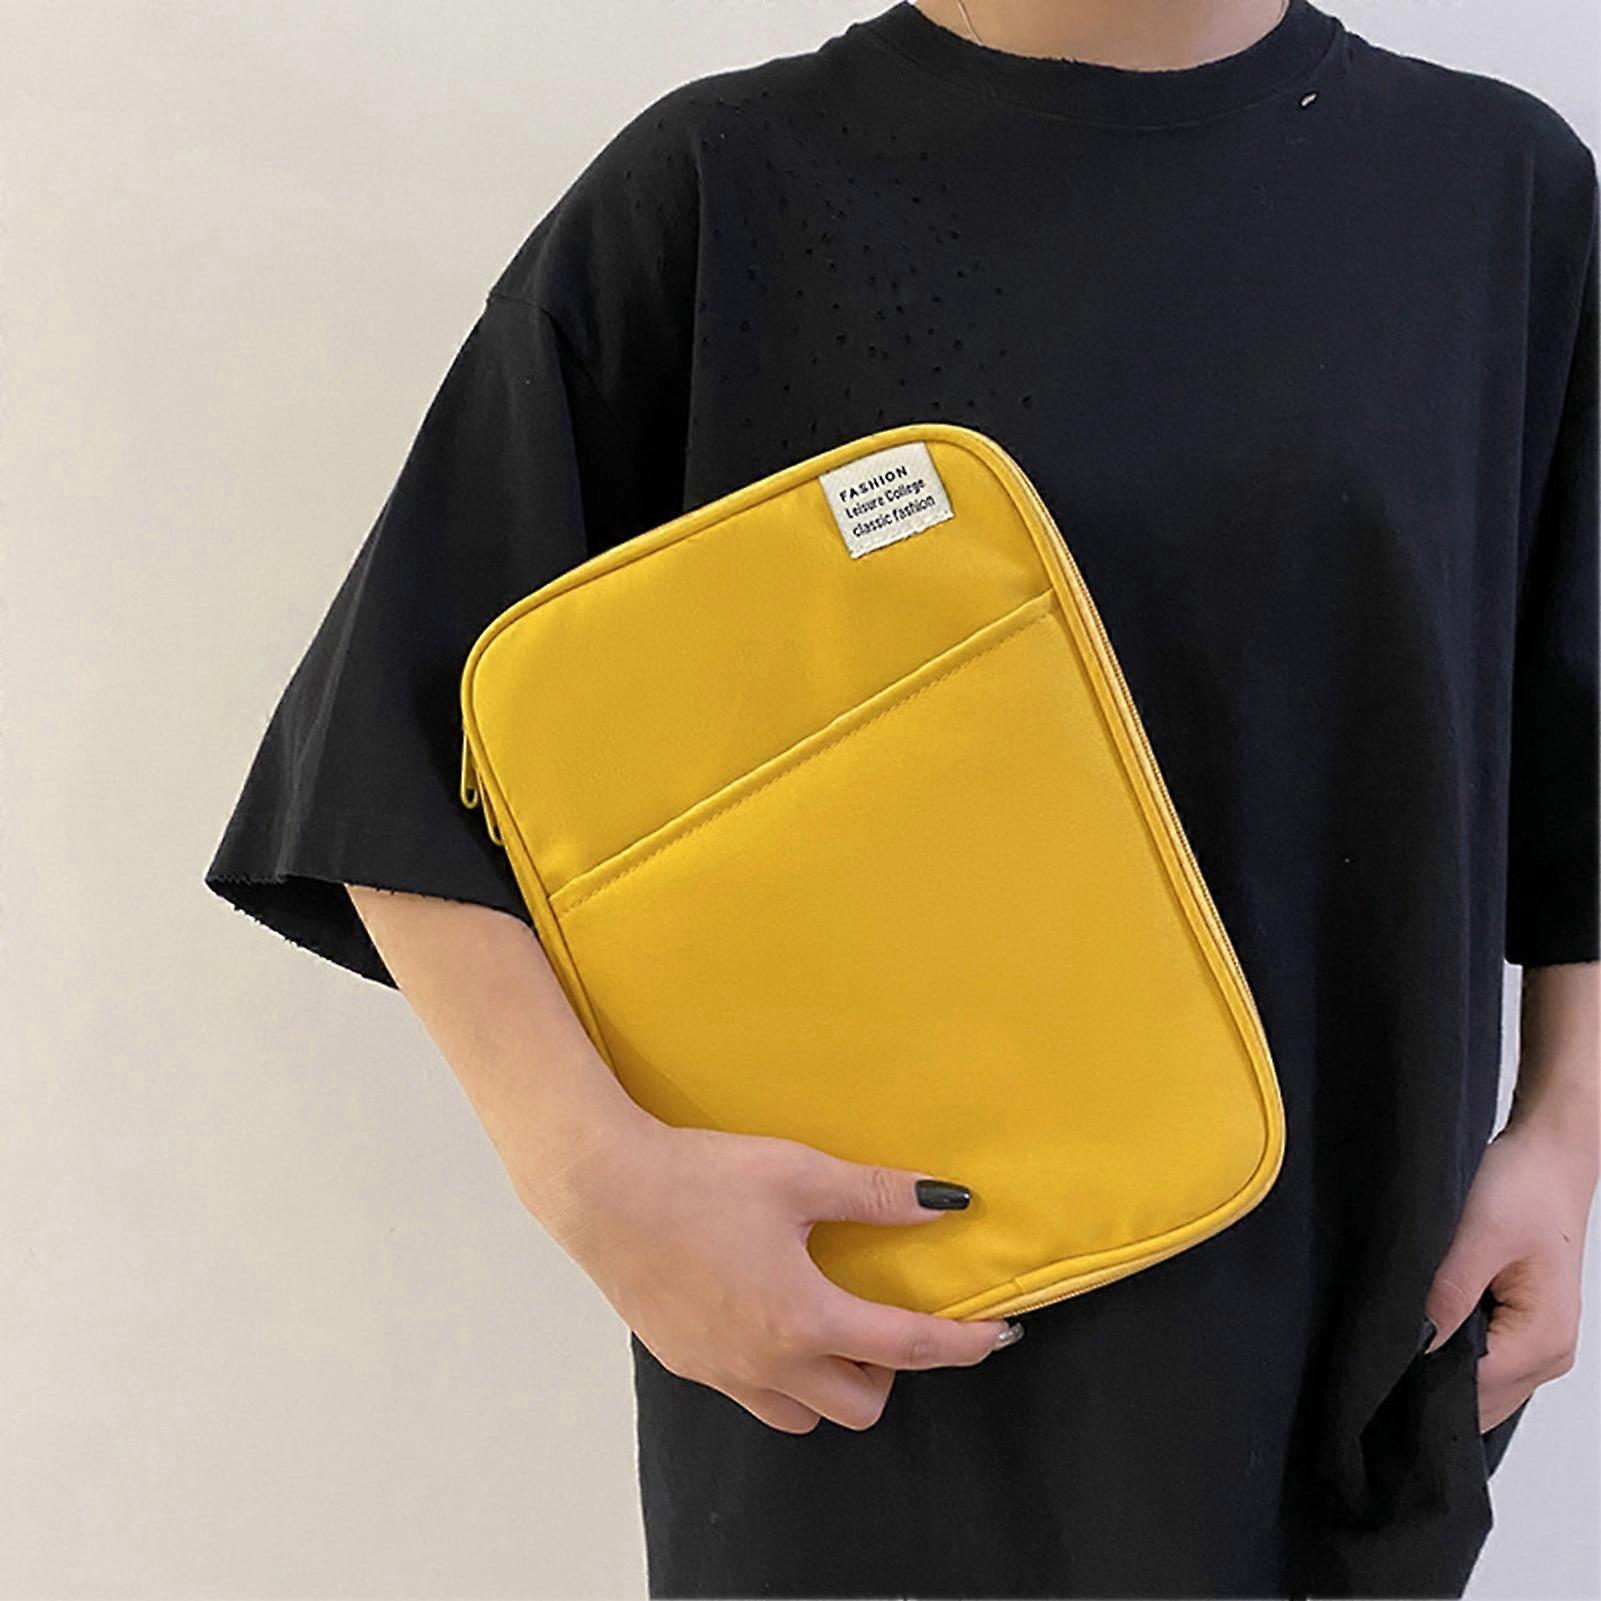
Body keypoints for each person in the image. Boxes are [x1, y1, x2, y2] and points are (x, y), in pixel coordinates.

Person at [203, 0, 1599, 1594]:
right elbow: (388, 744)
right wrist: (597, 1183)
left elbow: (1574, 735)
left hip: (1343, 1357)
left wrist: (1562, 1139)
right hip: (863, 1358)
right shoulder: (720, 190)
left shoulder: (1495, 194)